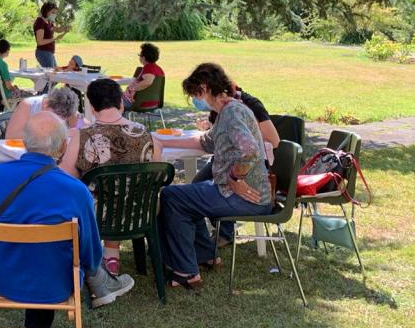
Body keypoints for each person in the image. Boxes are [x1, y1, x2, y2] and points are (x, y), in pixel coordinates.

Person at [0, 112, 135, 328]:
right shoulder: (75, 190)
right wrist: (92, 267)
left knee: (39, 253)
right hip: (54, 284)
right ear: (63, 146)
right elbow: (91, 251)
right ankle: (101, 284)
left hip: (0, 272)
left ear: (24, 142)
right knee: (51, 258)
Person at [154, 63, 272, 289]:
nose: (197, 100)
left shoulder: (232, 112)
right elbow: (205, 141)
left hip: (247, 197)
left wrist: (236, 178)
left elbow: (249, 149)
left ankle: (185, 271)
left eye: (196, 94)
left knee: (171, 196)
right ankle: (206, 254)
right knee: (188, 195)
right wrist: (161, 140)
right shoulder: (229, 111)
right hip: (249, 195)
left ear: (205, 88)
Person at [60, 78, 151, 274]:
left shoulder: (82, 136)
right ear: (120, 103)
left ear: (92, 107)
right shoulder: (144, 133)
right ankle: (111, 256)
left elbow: (66, 177)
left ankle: (94, 258)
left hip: (96, 217)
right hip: (139, 214)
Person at [191, 76, 280, 246]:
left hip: (248, 165)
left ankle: (224, 233)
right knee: (197, 185)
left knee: (196, 194)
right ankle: (215, 231)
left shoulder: (250, 105)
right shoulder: (220, 107)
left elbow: (273, 140)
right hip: (223, 159)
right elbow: (215, 134)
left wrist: (238, 135)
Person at [4, 87, 80, 141]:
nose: (56, 121)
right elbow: (11, 135)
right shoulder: (28, 105)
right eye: (53, 116)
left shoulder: (65, 107)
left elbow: (82, 121)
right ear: (46, 104)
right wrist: (52, 134)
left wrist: (78, 130)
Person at [123, 42, 163, 109]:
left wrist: (133, 90)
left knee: (106, 99)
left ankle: (115, 119)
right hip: (152, 102)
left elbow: (148, 81)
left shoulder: (149, 68)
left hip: (137, 102)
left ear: (143, 58)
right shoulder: (158, 69)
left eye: (140, 55)